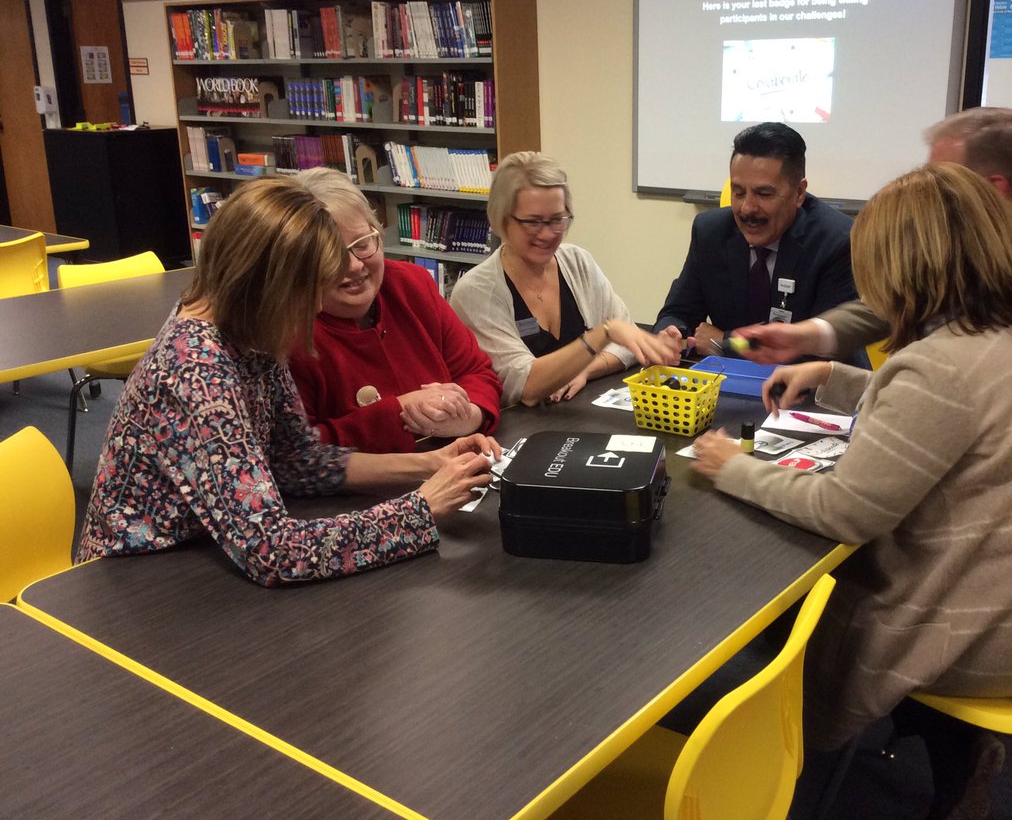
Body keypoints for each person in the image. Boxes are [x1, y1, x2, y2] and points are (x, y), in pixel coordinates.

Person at [692, 162, 1012, 819]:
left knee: (763, 617)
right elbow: (944, 417)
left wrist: (727, 464)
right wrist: (833, 374)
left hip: (981, 627)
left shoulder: (942, 367)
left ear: (904, 266)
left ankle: (755, 753)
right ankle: (952, 750)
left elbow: (846, 510)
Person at [737, 106, 1012, 660]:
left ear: (991, 187)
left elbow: (856, 498)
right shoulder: (1011, 252)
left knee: (862, 559)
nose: (934, 190)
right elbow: (923, 316)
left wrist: (728, 464)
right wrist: (822, 348)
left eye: (944, 178)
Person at [77, 177, 500, 587]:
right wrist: (422, 507)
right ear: (265, 284)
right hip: (140, 582)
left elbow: (296, 459)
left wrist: (432, 464)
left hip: (205, 553)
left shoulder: (247, 326)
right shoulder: (195, 371)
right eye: (309, 289)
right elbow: (276, 552)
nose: (317, 305)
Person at [287, 168, 501, 453]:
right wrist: (399, 410)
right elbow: (296, 451)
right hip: (357, 492)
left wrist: (470, 416)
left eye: (362, 244)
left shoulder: (411, 284)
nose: (353, 265)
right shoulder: (288, 332)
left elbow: (478, 371)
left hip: (453, 464)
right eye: (330, 256)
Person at [450, 151, 682, 405]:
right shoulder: (475, 293)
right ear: (502, 219)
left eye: (557, 219)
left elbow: (627, 343)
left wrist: (584, 369)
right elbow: (524, 385)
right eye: (534, 222)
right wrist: (603, 334)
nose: (548, 234)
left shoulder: (577, 262)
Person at [652, 122, 858, 357]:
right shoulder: (710, 232)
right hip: (729, 382)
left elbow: (819, 348)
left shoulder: (835, 241)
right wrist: (671, 335)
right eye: (738, 192)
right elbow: (678, 311)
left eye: (764, 194)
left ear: (799, 193)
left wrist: (725, 344)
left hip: (815, 388)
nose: (747, 208)